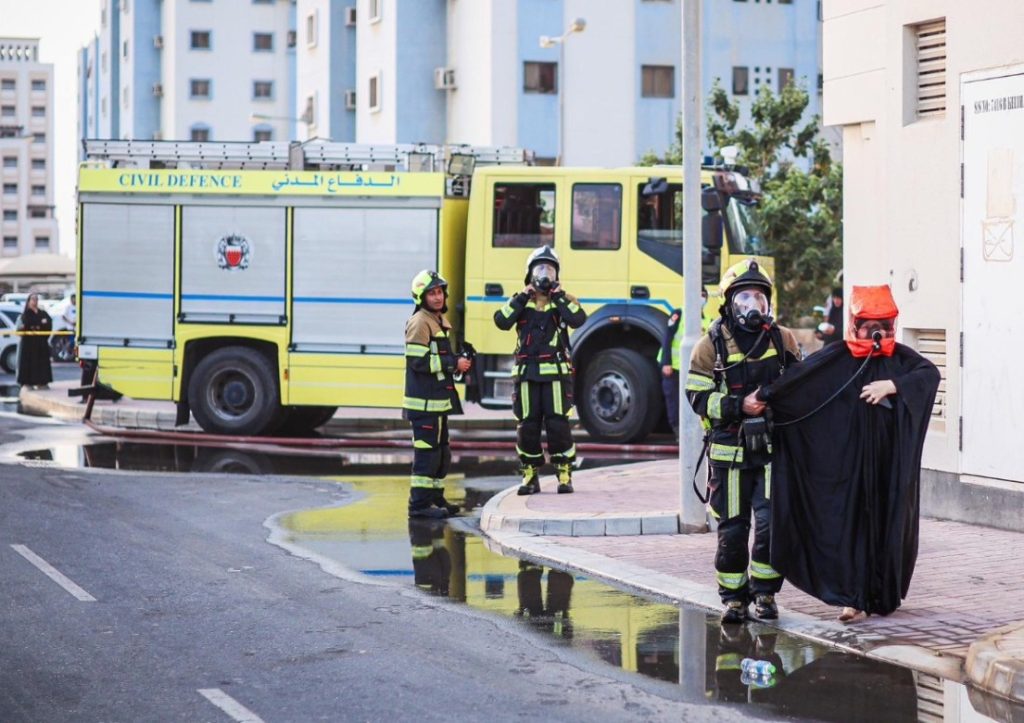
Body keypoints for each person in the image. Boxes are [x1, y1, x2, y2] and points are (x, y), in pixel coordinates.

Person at [756, 284, 940, 622]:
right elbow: (800, 382)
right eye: (869, 324)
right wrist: (765, 395)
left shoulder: (901, 359)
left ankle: (881, 595)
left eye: (883, 325)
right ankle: (852, 598)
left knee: (886, 524)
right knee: (849, 528)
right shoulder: (838, 357)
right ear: (854, 325)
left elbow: (929, 374)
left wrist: (894, 385)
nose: (877, 332)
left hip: (887, 466)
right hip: (848, 467)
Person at [684, 259, 801, 624]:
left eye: (760, 298)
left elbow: (801, 387)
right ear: (730, 302)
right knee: (732, 530)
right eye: (745, 297)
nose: (754, 305)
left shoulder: (782, 339)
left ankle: (765, 595)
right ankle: (734, 599)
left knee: (769, 526)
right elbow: (698, 398)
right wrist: (740, 405)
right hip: (729, 454)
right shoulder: (709, 346)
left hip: (770, 452)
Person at [494, 246, 587, 495]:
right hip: (526, 376)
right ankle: (529, 474)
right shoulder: (521, 302)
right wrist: (522, 297)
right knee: (527, 427)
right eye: (540, 268)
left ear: (557, 275)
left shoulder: (563, 301)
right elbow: (501, 321)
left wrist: (558, 296)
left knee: (558, 425)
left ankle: (564, 473)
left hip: (555, 376)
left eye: (550, 269)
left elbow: (579, 319)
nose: (545, 274)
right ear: (530, 273)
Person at [403, 270, 472, 519]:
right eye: (431, 293)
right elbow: (417, 361)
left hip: (437, 403)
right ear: (421, 297)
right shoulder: (420, 322)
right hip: (424, 405)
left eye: (440, 291)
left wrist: (458, 363)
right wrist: (453, 363)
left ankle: (435, 498)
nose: (437, 297)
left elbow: (438, 363)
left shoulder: (437, 320)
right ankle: (419, 505)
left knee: (441, 454)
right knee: (427, 455)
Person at [660, 287, 708, 438]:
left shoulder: (706, 319)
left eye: (704, 295)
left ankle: (691, 432)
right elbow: (667, 338)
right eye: (698, 294)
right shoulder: (679, 313)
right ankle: (678, 432)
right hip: (673, 367)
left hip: (692, 368)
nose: (701, 298)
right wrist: (666, 362)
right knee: (673, 400)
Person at [16, 293, 53, 389]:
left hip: (40, 343)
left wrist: (40, 325)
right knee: (28, 363)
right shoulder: (25, 314)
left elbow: (47, 322)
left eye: (36, 299)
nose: (35, 301)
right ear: (28, 301)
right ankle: (27, 383)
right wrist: (35, 326)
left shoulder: (42, 313)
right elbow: (24, 326)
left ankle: (42, 382)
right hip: (28, 344)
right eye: (32, 299)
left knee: (41, 363)